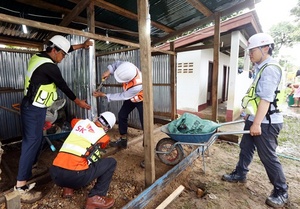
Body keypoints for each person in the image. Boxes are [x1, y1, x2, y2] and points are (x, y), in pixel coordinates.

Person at [14, 35, 92, 203]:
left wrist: (82, 46)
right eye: (62, 55)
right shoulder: (50, 67)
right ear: (54, 50)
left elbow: (67, 48)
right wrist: (78, 101)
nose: (63, 58)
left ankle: (31, 168)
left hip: (34, 106)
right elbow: (64, 86)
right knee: (31, 142)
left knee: (35, 139)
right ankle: (20, 186)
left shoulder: (39, 56)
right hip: (34, 109)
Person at [221, 33, 289, 208]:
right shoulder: (260, 67)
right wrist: (249, 114)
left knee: (268, 157)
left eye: (252, 50)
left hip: (267, 122)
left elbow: (266, 99)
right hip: (255, 118)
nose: (249, 54)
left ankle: (281, 191)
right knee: (246, 148)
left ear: (265, 48)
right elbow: (256, 97)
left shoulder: (271, 68)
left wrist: (257, 123)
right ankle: (240, 173)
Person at [50, 111, 117, 209]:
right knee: (107, 161)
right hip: (75, 177)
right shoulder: (103, 136)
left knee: (74, 153)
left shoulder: (81, 122)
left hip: (55, 173)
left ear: (98, 118)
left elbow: (72, 121)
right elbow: (102, 145)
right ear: (107, 128)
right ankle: (95, 196)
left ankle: (68, 189)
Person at [92, 61, 144, 150]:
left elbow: (122, 96)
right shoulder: (126, 66)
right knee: (122, 115)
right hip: (131, 98)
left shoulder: (137, 86)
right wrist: (108, 71)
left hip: (142, 99)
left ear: (129, 79)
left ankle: (147, 147)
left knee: (145, 123)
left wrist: (104, 95)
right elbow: (116, 65)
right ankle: (123, 140)